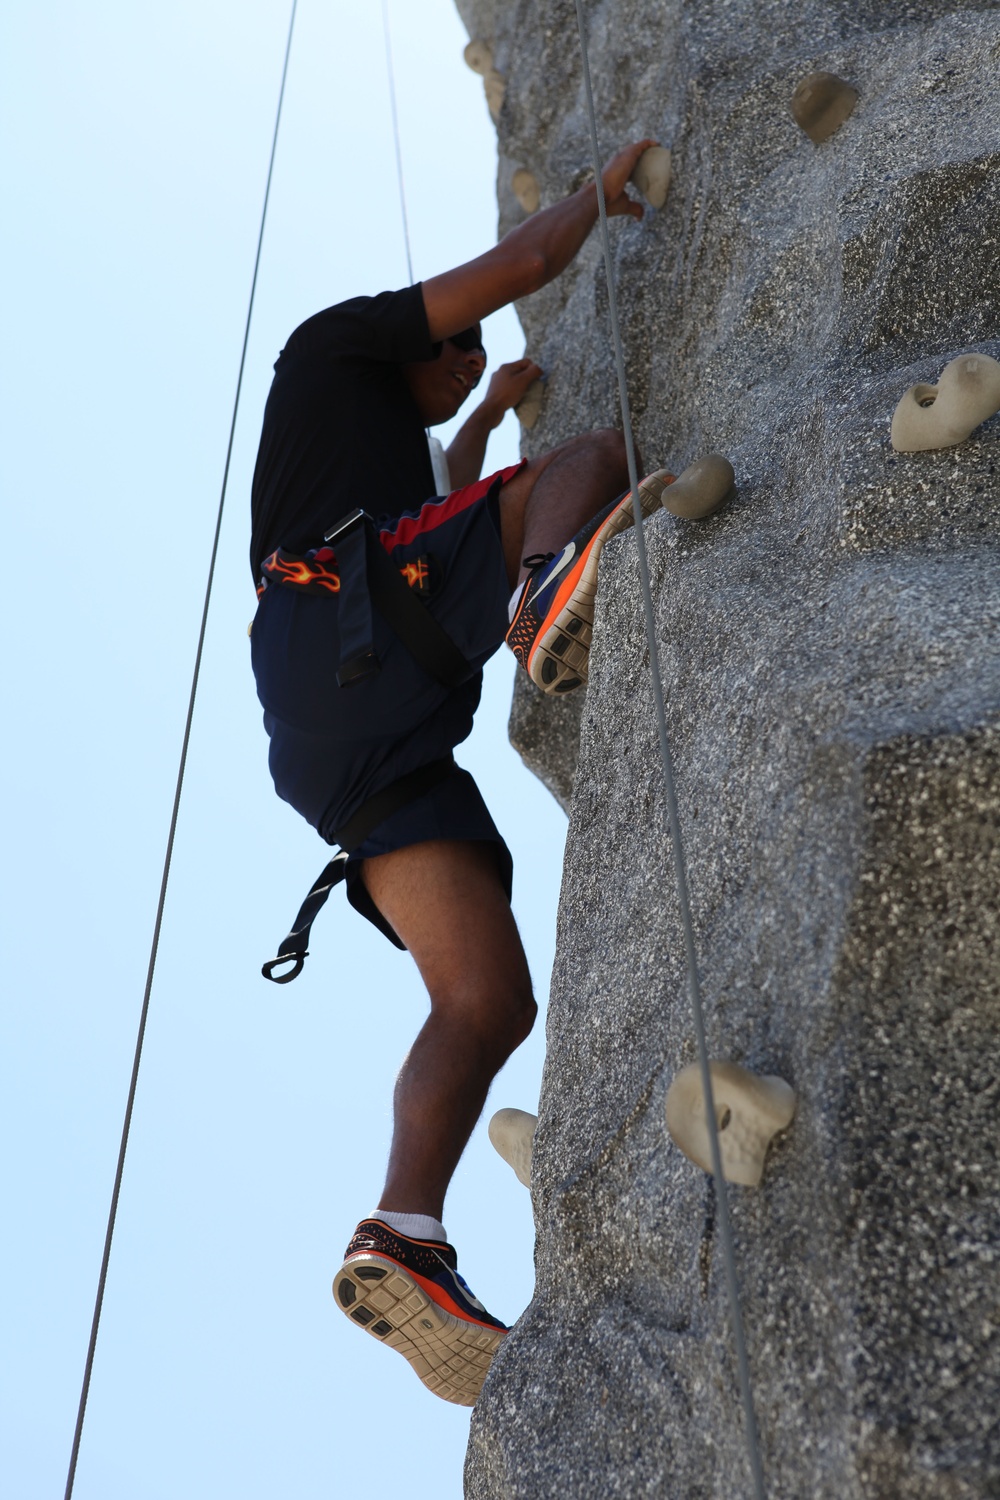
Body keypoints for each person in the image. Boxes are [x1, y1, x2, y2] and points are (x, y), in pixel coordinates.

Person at [249, 137, 672, 1407]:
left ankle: (403, 1233)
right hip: (344, 622)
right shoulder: (337, 344)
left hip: (353, 727)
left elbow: (434, 516)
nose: (465, 368)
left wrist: (481, 426)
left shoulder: (378, 449)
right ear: (413, 345)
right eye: (459, 357)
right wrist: (605, 185)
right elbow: (525, 263)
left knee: (487, 1001)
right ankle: (547, 597)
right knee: (583, 462)